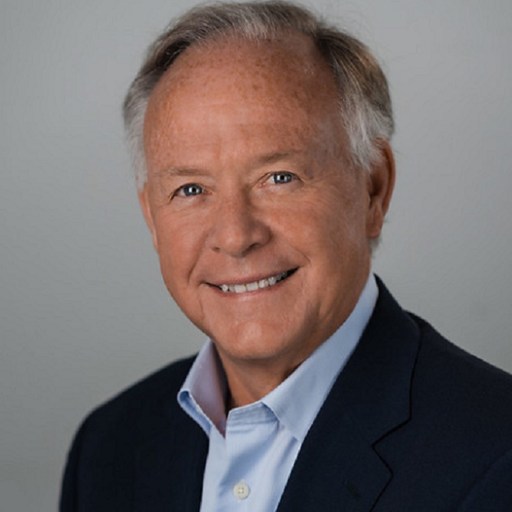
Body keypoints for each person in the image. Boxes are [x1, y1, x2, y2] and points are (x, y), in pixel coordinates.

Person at [60, 2, 512, 510]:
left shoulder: (497, 457)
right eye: (190, 189)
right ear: (151, 218)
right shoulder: (107, 450)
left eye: (279, 178)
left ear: (373, 188)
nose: (235, 236)